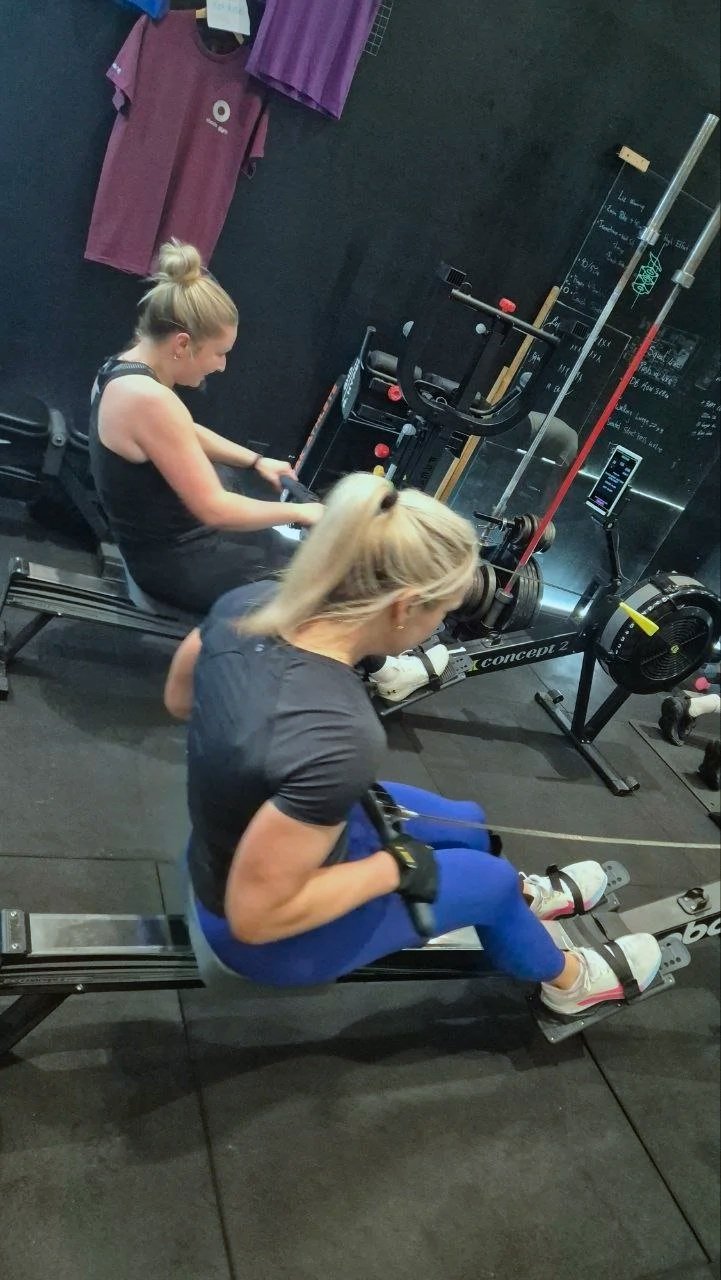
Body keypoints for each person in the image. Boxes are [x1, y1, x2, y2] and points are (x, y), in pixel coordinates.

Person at [163, 472, 662, 1017]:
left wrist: (259, 770)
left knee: (460, 819)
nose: (441, 624)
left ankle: (516, 902)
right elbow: (255, 915)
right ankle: (571, 983)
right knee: (489, 882)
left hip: (242, 847)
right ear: (404, 607)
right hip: (261, 938)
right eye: (441, 612)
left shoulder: (250, 602)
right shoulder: (341, 735)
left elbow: (180, 699)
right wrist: (392, 868)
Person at [89, 238, 449, 701]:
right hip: (174, 561)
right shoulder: (149, 399)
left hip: (174, 542)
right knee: (323, 578)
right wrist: (300, 514)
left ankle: (370, 658)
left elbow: (184, 431)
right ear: (182, 344)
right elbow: (215, 508)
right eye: (217, 353)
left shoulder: (123, 371)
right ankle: (386, 675)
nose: (221, 366)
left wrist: (255, 459)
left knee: (301, 554)